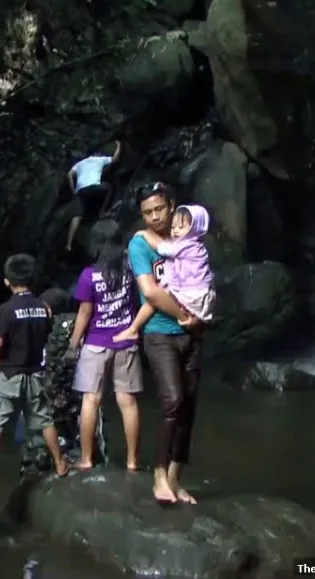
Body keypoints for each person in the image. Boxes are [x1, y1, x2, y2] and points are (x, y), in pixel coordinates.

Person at [127, 182, 204, 504]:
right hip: (159, 333)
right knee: (173, 401)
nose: (155, 217)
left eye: (160, 209)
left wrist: (199, 318)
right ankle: (158, 473)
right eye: (148, 212)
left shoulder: (184, 234)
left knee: (189, 407)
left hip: (193, 333)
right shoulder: (139, 246)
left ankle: (175, 478)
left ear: (171, 205)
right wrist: (187, 315)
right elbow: (152, 292)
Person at [0, 254, 69, 484]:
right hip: (35, 374)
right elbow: (45, 335)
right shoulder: (43, 308)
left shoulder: (7, 308)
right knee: (44, 420)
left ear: (7, 281)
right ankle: (60, 463)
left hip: (10, 376)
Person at [68, 220, 142, 471]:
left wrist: (72, 344)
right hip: (126, 341)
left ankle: (87, 459)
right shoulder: (130, 271)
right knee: (128, 402)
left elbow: (84, 313)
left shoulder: (89, 275)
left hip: (96, 343)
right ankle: (133, 461)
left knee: (91, 400)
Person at [114, 204, 216, 342]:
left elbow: (163, 249)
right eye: (174, 227)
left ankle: (133, 329)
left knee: (157, 294)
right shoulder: (200, 246)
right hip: (203, 296)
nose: (175, 231)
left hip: (189, 293)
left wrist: (145, 234)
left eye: (181, 227)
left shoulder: (186, 245)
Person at [65, 141, 121, 252]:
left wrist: (73, 189)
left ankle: (68, 244)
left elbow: (69, 174)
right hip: (94, 188)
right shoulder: (99, 159)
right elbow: (115, 159)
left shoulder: (81, 163)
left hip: (81, 191)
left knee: (77, 215)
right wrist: (119, 146)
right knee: (109, 188)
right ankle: (102, 212)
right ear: (97, 154)